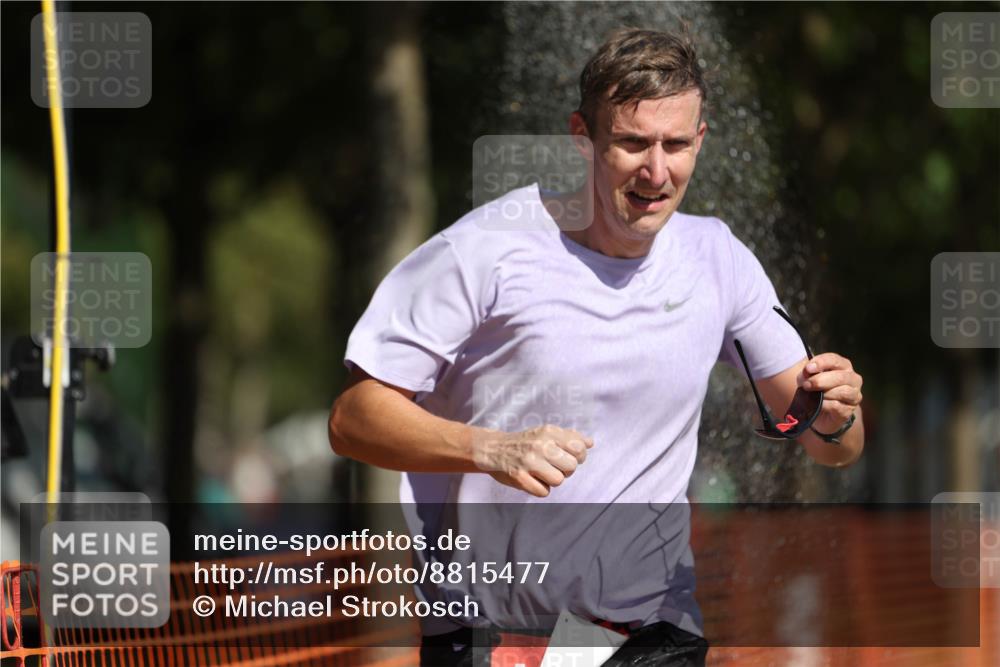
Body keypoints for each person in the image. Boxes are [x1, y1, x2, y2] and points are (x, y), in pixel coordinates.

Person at [329, 28, 864, 667]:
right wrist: (489, 448)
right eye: (633, 143)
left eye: (675, 145)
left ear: (701, 140)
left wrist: (839, 416)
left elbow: (829, 444)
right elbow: (352, 418)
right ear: (581, 138)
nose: (656, 171)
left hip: (653, 630)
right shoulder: (486, 250)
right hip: (495, 635)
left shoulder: (718, 258)